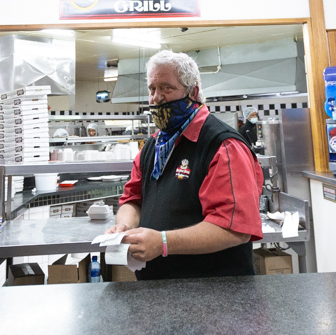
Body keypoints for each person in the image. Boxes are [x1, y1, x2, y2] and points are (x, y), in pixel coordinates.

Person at [106, 50, 264, 280]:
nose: (156, 98)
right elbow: (133, 199)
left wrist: (162, 243)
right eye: (152, 89)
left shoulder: (223, 145)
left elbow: (235, 228)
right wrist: (124, 227)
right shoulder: (154, 146)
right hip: (159, 292)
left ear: (194, 92)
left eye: (166, 88)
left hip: (216, 295)